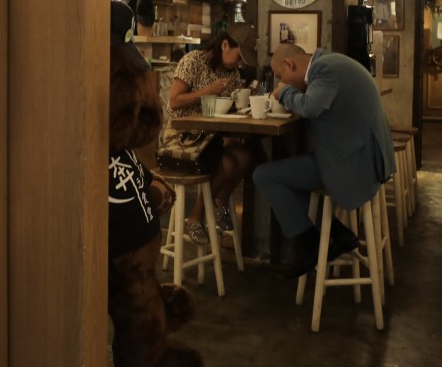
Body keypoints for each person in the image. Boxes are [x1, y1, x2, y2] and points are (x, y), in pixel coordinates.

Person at [253, 45, 396, 278]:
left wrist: (284, 93)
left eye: (280, 77)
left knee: (265, 175)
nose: (280, 82)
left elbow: (310, 107)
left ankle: (314, 243)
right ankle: (338, 234)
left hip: (356, 165)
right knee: (289, 181)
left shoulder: (324, 69)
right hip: (361, 157)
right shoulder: (331, 61)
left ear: (290, 65)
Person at [163, 23, 258, 245]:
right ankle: (196, 216)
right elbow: (174, 101)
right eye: (240, 56)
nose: (241, 63)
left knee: (245, 157)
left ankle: (222, 198)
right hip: (182, 137)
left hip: (211, 137)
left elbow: (228, 108)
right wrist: (207, 91)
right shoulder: (193, 61)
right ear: (224, 44)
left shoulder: (232, 72)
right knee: (228, 163)